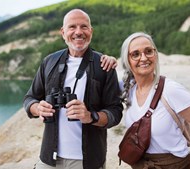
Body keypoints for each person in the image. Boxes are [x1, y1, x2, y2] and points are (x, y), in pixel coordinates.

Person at [23, 9, 123, 169]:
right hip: (49, 158)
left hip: (88, 161)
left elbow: (116, 112)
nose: (78, 32)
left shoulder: (104, 65)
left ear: (91, 31)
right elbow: (29, 99)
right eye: (72, 27)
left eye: (84, 27)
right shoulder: (49, 62)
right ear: (63, 32)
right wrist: (38, 109)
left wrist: (91, 116)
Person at [119, 32, 190, 169]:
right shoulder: (129, 89)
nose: (143, 58)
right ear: (127, 60)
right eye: (135, 54)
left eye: (148, 51)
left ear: (155, 54)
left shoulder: (171, 90)